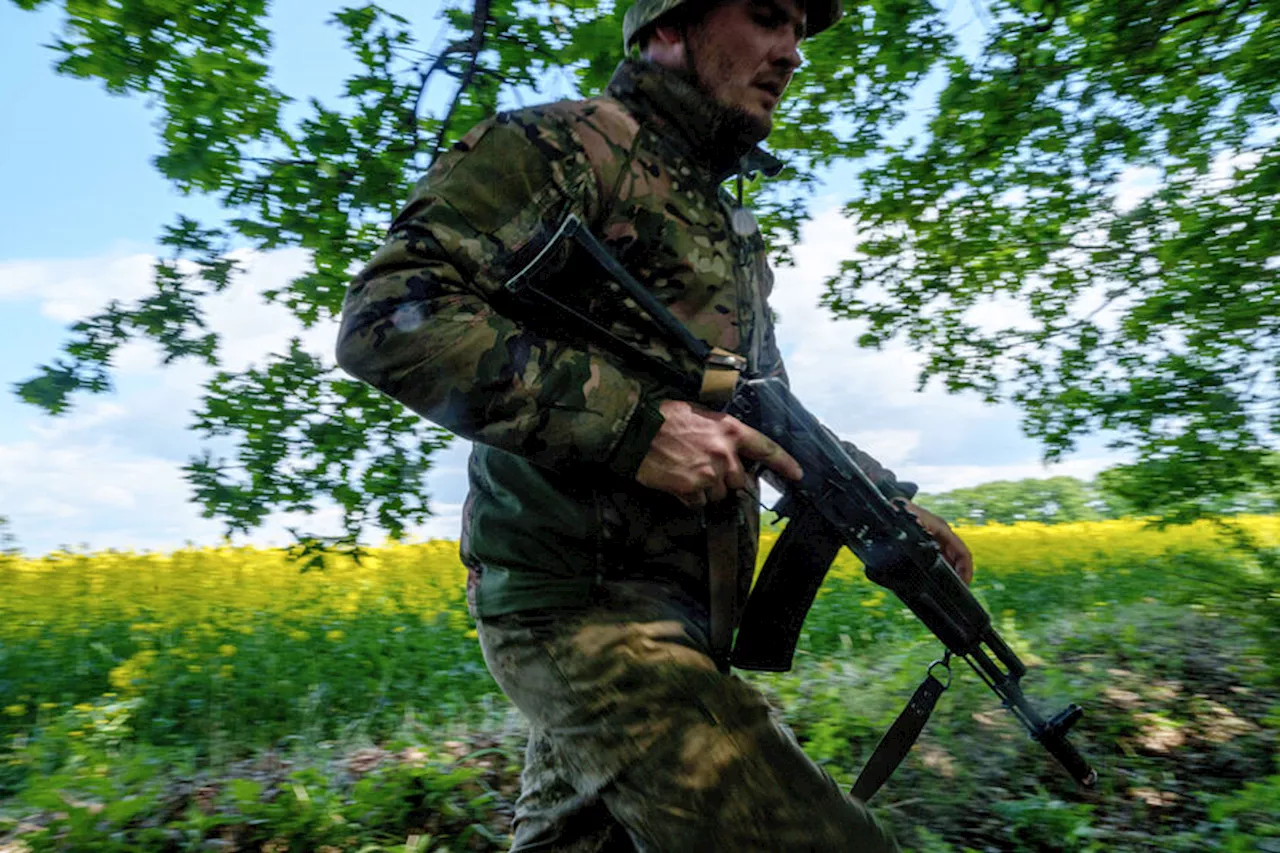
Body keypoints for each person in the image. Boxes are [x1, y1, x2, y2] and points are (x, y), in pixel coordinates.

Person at [336, 0, 974, 848]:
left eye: (800, 32)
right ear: (669, 25)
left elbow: (768, 405)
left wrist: (889, 509)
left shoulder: (723, 220)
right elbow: (385, 318)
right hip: (586, 613)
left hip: (684, 612)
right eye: (767, 16)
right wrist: (637, 428)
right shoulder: (557, 146)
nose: (791, 53)